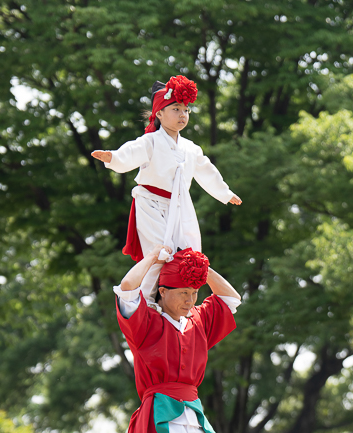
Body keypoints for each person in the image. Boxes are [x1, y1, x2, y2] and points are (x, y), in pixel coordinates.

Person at [115, 244, 241, 433]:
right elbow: (128, 289)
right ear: (161, 290)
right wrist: (153, 259)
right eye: (182, 292)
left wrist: (197, 266)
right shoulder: (146, 323)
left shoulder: (198, 320)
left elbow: (230, 298)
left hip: (194, 416)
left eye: (194, 292)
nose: (190, 299)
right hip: (160, 416)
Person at [92, 75, 241, 298]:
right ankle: (148, 301)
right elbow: (131, 152)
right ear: (159, 113)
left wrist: (225, 193)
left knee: (189, 254)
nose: (183, 114)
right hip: (150, 204)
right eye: (176, 109)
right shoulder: (150, 141)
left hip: (180, 207)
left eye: (186, 110)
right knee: (159, 254)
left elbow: (206, 171)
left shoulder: (191, 148)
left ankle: (184, 300)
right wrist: (112, 157)